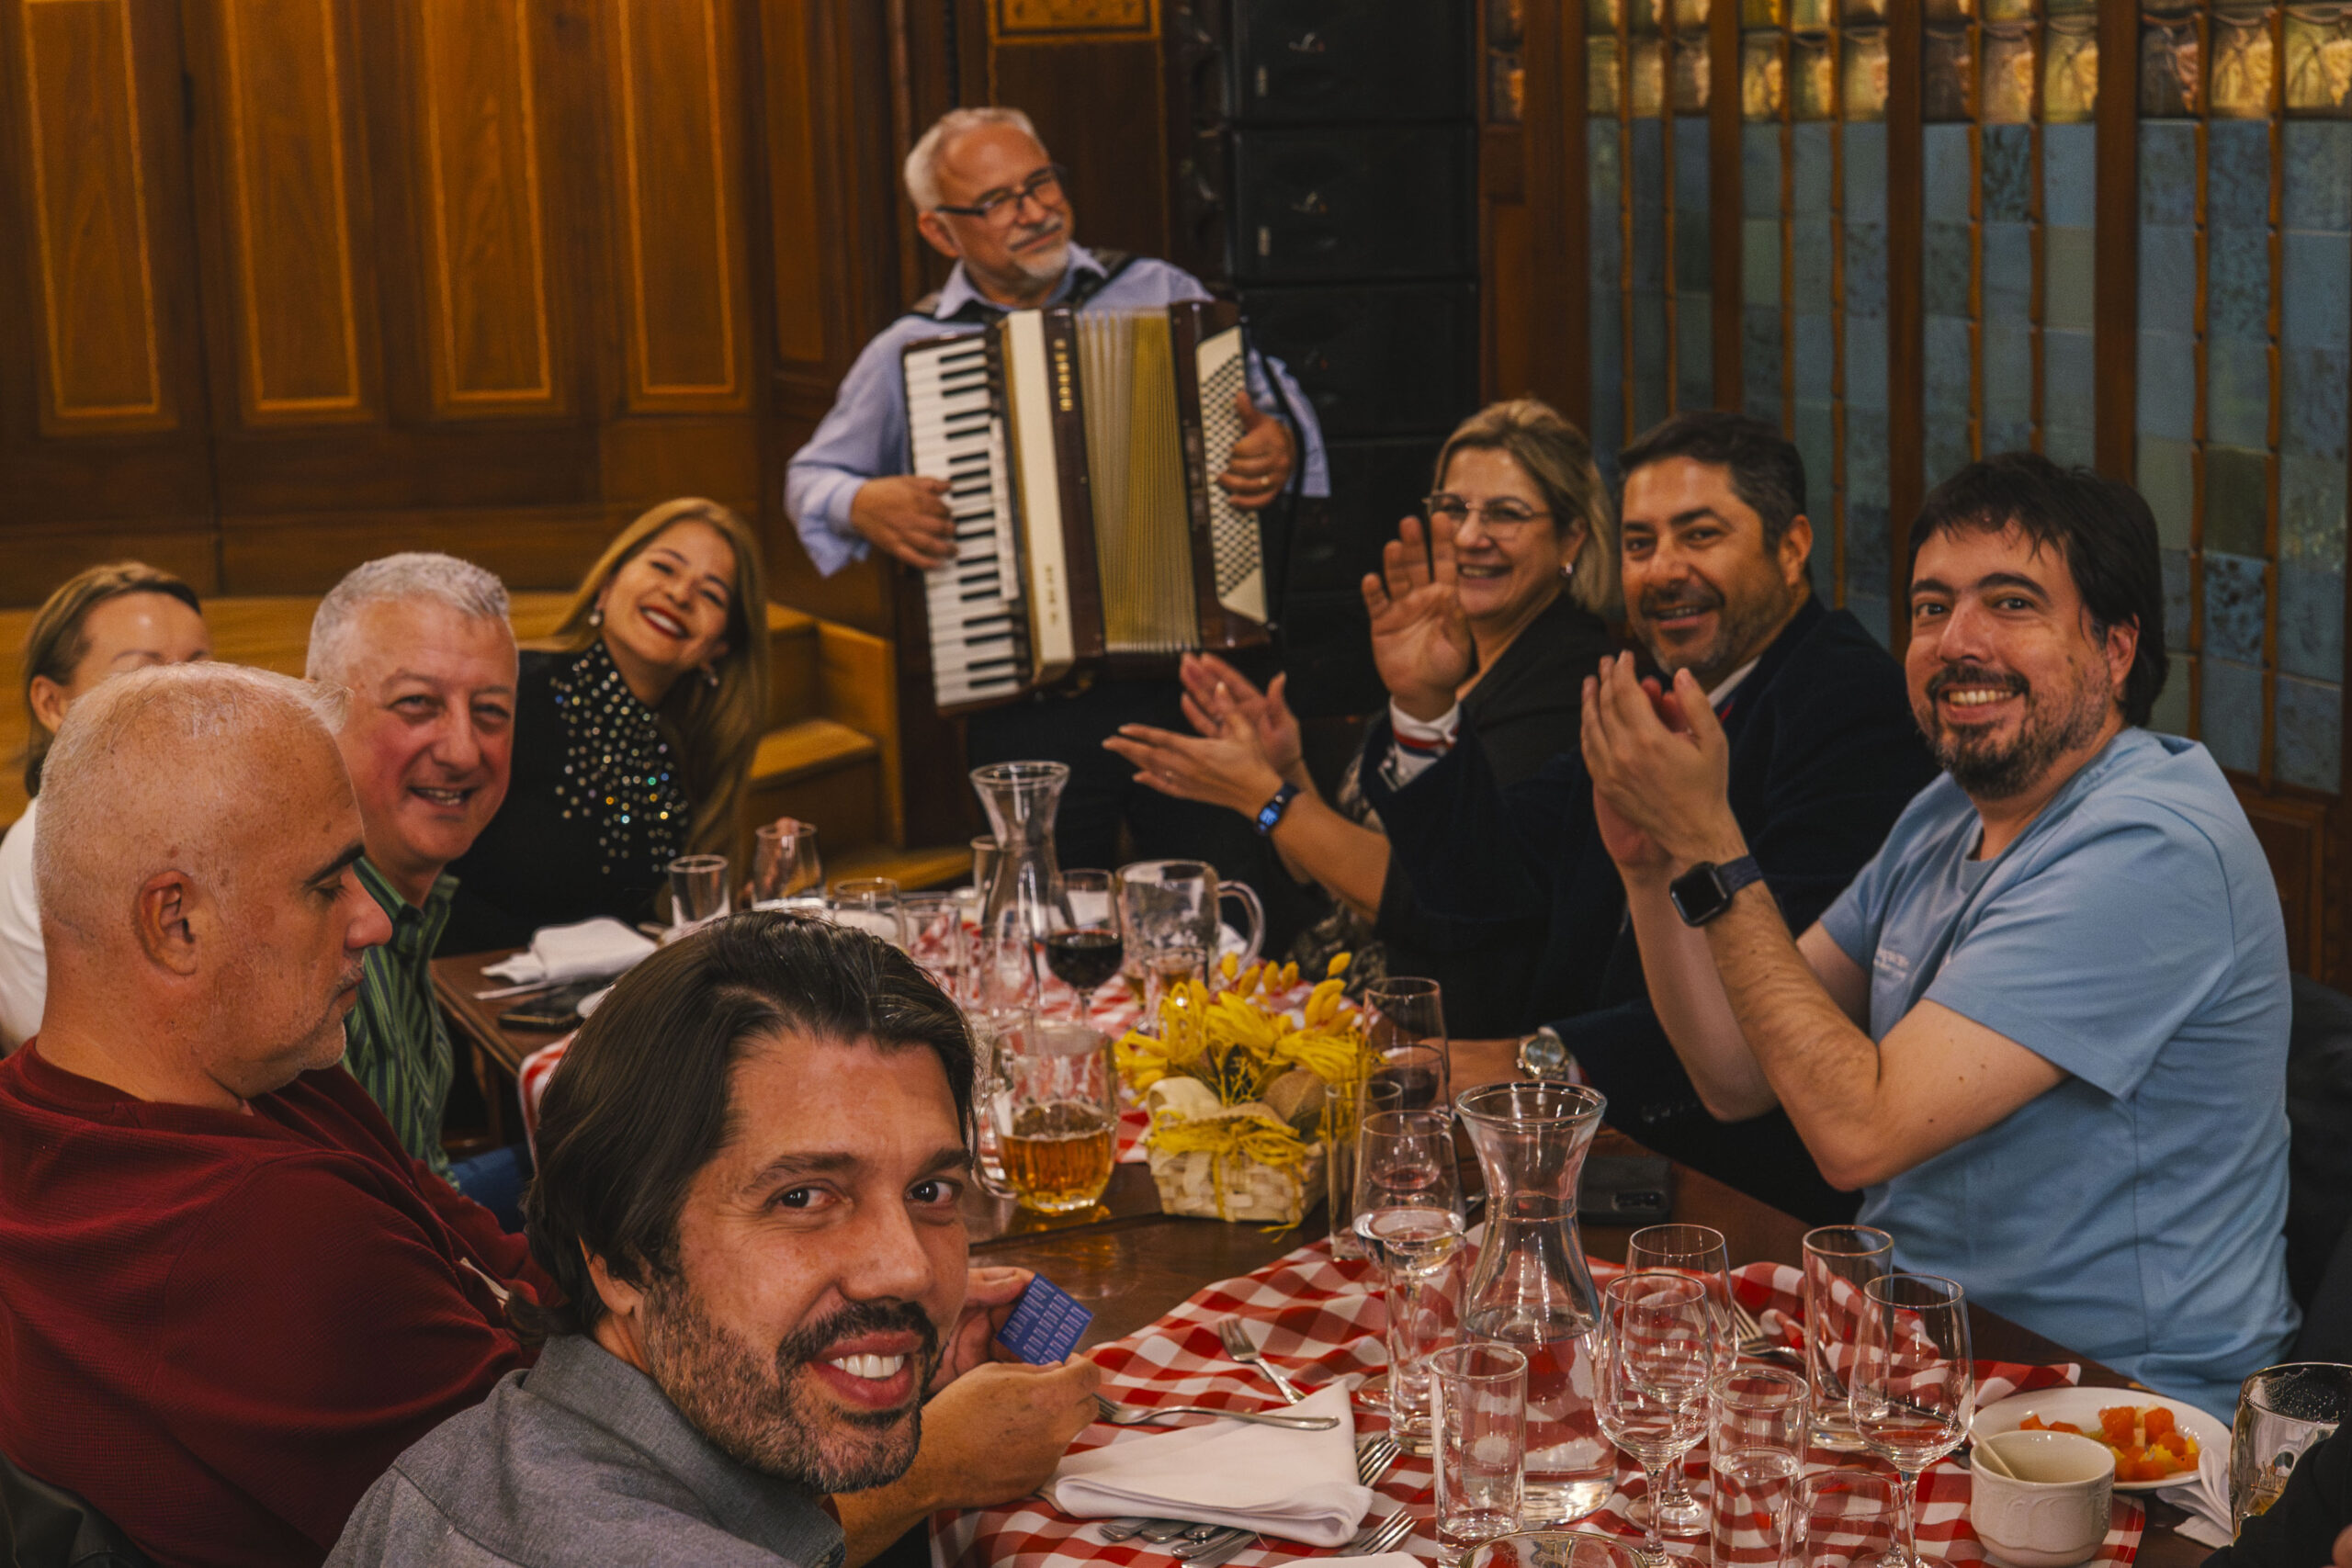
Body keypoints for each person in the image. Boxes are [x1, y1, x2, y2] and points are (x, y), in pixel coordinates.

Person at [1581, 451, 2296, 1416]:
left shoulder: (2150, 845)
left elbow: (1856, 1132)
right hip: (1925, 1358)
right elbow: (1735, 1074)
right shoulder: (1946, 811)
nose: (1958, 641)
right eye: (1930, 607)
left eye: (2011, 604)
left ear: (2115, 648)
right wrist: (1654, 864)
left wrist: (1714, 843)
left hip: (2117, 1405)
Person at [329, 915, 1103, 1566]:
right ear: (620, 1255)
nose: (906, 1267)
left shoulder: (450, 1469)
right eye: (803, 1197)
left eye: (929, 1191)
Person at [0, 662, 548, 1567]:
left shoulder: (260, 1072)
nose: (372, 921)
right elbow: (563, 1505)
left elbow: (483, 1253)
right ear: (176, 922)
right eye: (327, 886)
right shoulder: (265, 1232)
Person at [1359, 412, 1937, 1220]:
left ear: (1792, 547)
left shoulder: (1848, 702)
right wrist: (1424, 709)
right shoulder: (1637, 685)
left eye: (1699, 535)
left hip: (1745, 1192)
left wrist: (1548, 1058)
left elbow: (1786, 991)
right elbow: (1482, 879)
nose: (1663, 570)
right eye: (1639, 544)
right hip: (1590, 1161)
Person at [786, 106, 1326, 935]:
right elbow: (809, 479)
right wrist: (861, 502)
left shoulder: (1160, 291)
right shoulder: (913, 347)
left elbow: (1276, 411)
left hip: (1192, 677)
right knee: (1044, 926)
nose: (1034, 210)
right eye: (997, 200)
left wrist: (1277, 444)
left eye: (1040, 182)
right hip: (1028, 699)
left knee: (1221, 911)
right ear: (939, 230)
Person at [1102, 398, 1621, 1001]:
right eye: (1452, 509)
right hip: (1340, 995)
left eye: (1505, 514)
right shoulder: (1451, 655)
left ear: (1571, 538)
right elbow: (1340, 873)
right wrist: (1284, 767)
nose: (1469, 536)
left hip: (1445, 1025)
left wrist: (1264, 797)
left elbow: (1431, 898)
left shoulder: (1571, 681)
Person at [441, 498, 771, 954]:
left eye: (712, 594)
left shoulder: (683, 754)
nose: (680, 595)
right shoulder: (510, 693)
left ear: (719, 647)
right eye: (664, 567)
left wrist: (751, 908)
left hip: (608, 994)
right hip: (466, 982)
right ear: (607, 584)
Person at [307, 554, 519, 1201]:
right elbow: (350, 1236)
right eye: (418, 704)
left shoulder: (405, 904)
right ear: (318, 709)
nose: (462, 749)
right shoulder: (310, 949)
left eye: (491, 711)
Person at [0, 562, 209, 1050]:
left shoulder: (188, 818)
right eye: (142, 675)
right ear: (52, 704)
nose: (187, 698)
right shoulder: (54, 846)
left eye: (201, 669)